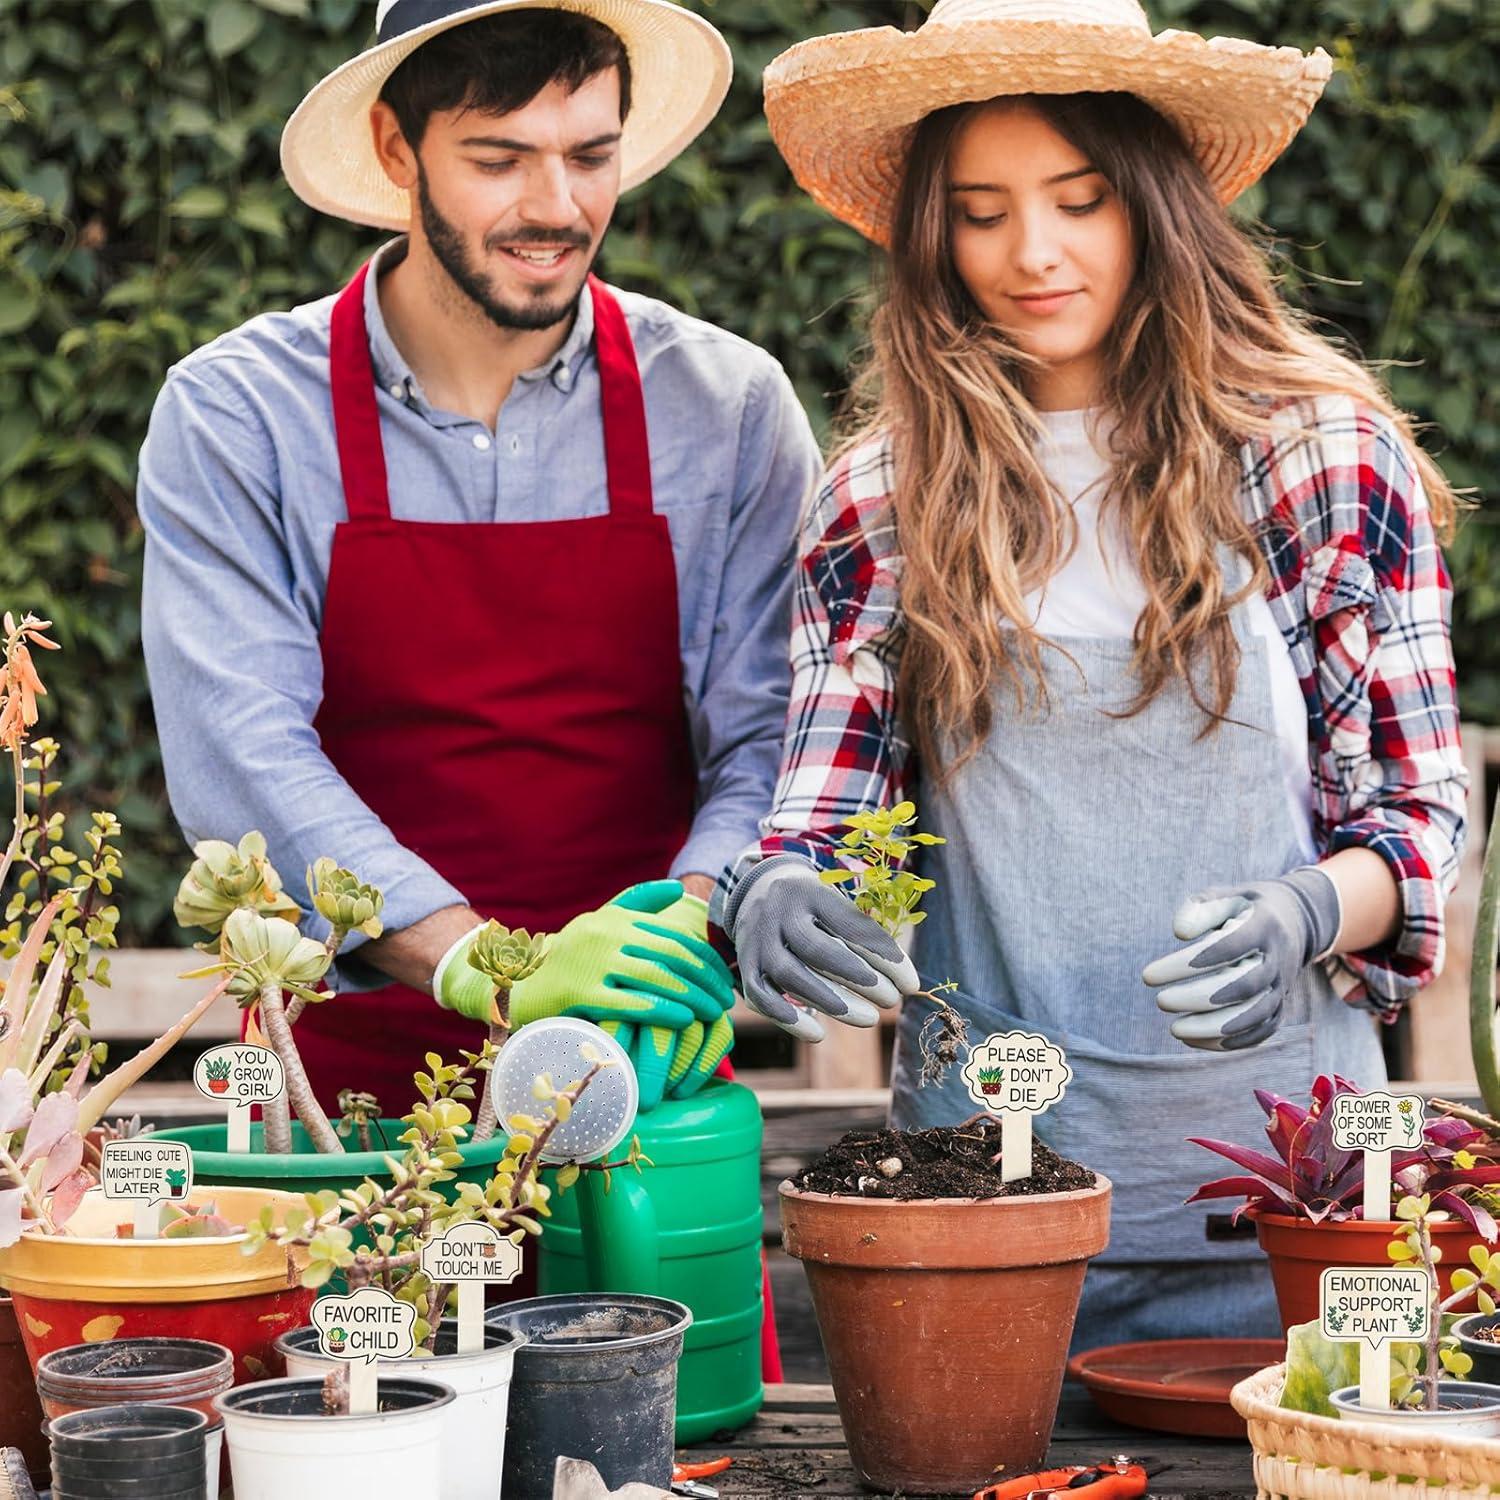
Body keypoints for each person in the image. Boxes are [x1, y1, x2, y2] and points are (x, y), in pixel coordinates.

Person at [720, 0, 1468, 1344]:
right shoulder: (887, 496)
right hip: (983, 1206)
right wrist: (776, 887)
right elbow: (828, 821)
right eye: (981, 209)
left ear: (1155, 207)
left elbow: (1416, 830)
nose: (1033, 253)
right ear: (931, 236)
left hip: (1294, 1209)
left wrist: (1308, 910)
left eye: (1078, 199)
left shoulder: (1319, 459)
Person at [137, 0, 823, 1119]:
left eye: (591, 157)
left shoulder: (727, 406)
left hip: (646, 1070)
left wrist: (675, 941)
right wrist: (481, 964)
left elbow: (769, 728)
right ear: (396, 148)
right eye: (499, 159)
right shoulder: (240, 414)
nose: (555, 208)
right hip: (343, 1099)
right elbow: (241, 750)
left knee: (664, 1300)